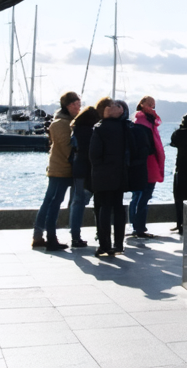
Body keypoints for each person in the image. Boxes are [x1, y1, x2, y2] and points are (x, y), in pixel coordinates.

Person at [32, 91, 80, 251]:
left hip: (64, 169)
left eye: (79, 103)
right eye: (74, 104)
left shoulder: (70, 121)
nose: (78, 107)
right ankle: (47, 237)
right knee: (52, 202)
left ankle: (39, 237)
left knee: (50, 201)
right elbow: (66, 148)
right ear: (67, 106)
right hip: (60, 169)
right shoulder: (60, 123)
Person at [88, 97, 131, 256]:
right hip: (120, 173)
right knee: (118, 207)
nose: (117, 107)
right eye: (113, 105)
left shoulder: (99, 128)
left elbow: (94, 155)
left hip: (103, 175)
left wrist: (100, 168)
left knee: (104, 208)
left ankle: (105, 245)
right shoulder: (125, 127)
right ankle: (119, 244)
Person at [129, 96, 164, 239]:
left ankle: (135, 226)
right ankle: (139, 228)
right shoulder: (143, 123)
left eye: (153, 105)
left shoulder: (142, 121)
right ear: (142, 104)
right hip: (146, 164)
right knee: (143, 196)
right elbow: (146, 146)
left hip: (142, 164)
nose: (151, 107)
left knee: (137, 196)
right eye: (149, 104)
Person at [68, 102, 98, 248]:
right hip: (87, 170)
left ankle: (74, 235)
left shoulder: (76, 130)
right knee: (82, 201)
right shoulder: (91, 132)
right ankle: (76, 236)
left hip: (77, 168)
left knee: (76, 202)